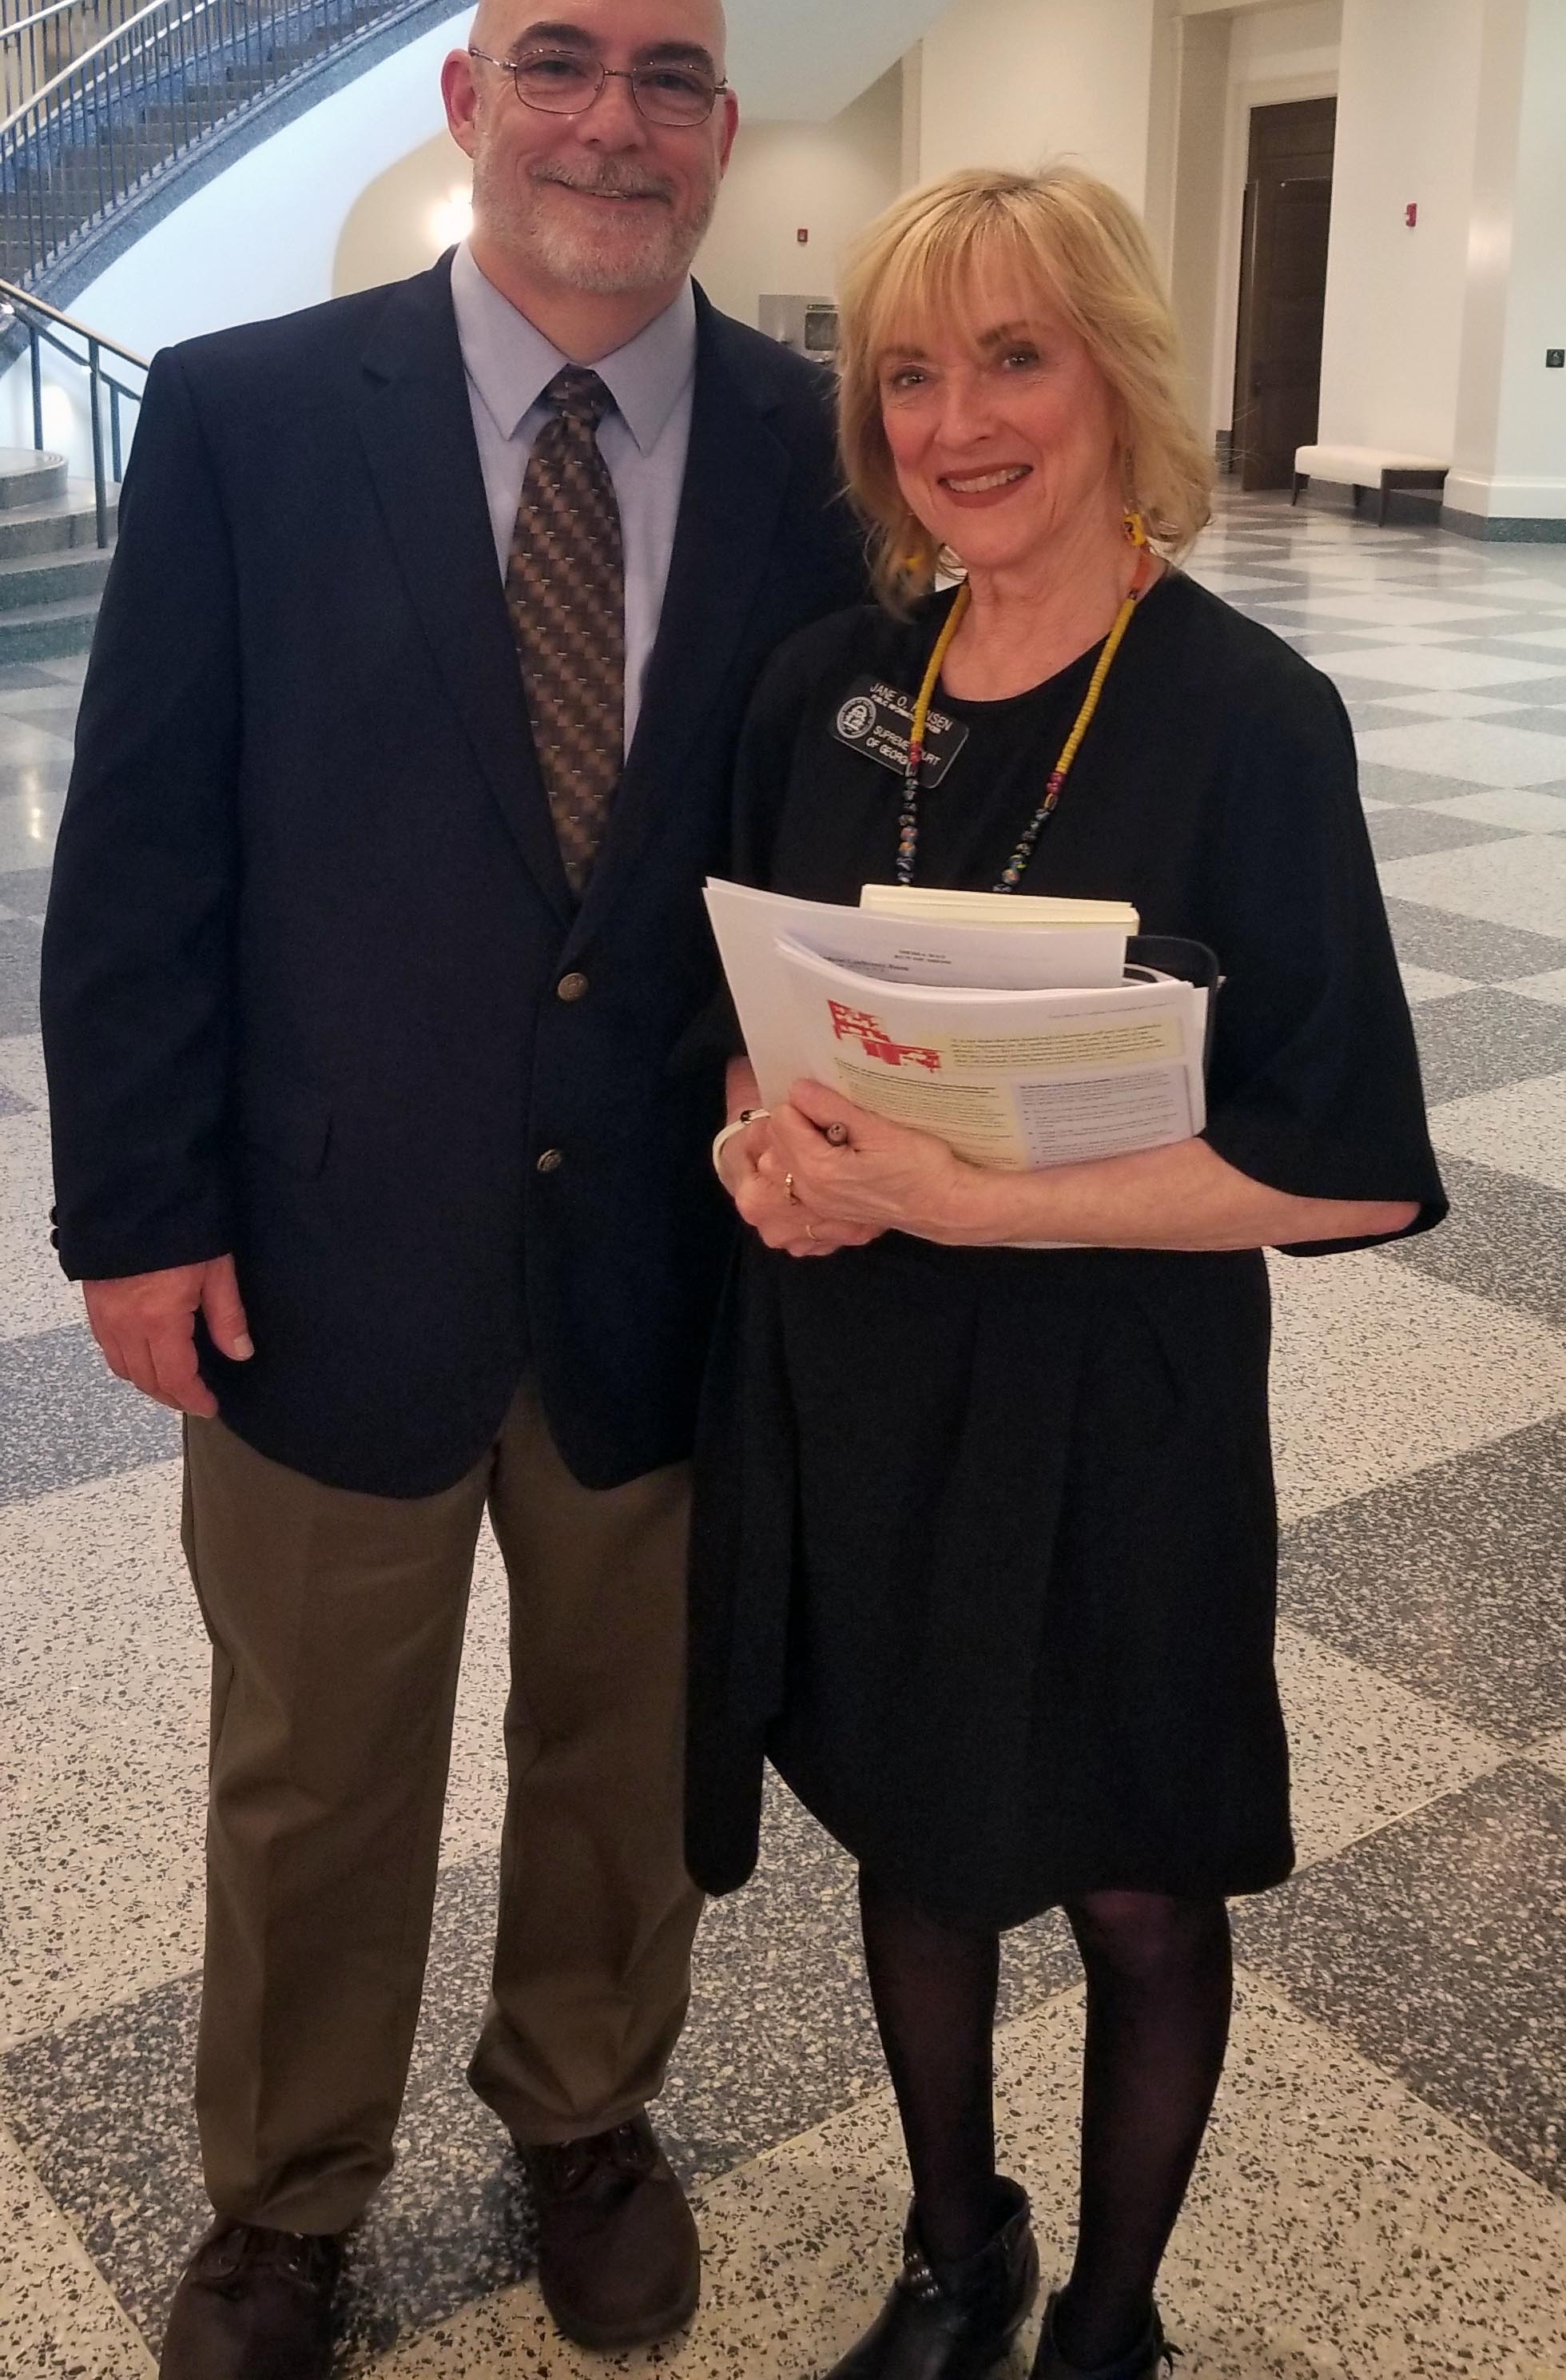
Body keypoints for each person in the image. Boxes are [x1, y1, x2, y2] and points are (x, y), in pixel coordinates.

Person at [40, 0, 865, 2380]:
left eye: (671, 77)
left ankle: (585, 2115)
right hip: (318, 1246)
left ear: (726, 131)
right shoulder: (249, 414)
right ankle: (285, 2201)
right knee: (314, 1773)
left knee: (625, 1745)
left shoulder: (830, 458)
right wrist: (140, 1215)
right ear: (468, 101)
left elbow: (848, 842)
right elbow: (148, 849)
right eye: (561, 62)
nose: (614, 116)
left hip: (673, 1261)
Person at [690, 165, 1445, 2380]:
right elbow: (751, 988)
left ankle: (1112, 2324)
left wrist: (982, 1201)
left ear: (1118, 370)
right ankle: (959, 2254)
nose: (955, 419)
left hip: (1122, 1400)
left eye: (1013, 355)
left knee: (1132, 1878)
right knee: (918, 1842)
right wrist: (765, 1140)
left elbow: (1358, 1170)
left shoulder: (1248, 716)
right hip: (863, 1374)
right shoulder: (834, 685)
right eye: (909, 372)